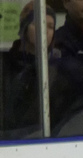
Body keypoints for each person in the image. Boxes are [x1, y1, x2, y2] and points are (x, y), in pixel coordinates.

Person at [1, 3, 58, 138]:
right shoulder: (4, 64)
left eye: (51, 26)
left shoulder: (55, 71)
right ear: (24, 28)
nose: (45, 30)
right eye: (37, 23)